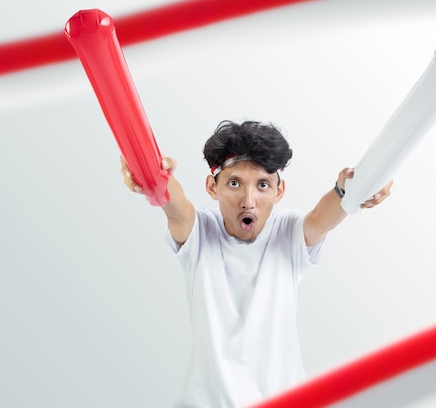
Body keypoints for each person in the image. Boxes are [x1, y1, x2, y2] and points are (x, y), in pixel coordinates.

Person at [120, 120, 392, 408]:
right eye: (234, 183)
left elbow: (324, 215)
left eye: (263, 185)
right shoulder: (199, 233)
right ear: (212, 187)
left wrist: (354, 189)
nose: (248, 201)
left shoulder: (288, 233)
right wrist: (153, 175)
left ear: (279, 190)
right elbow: (175, 207)